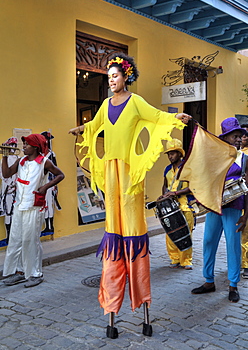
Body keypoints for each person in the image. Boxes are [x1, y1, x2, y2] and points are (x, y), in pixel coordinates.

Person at [69, 52, 191, 335]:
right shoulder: (104, 104)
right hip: (110, 171)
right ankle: (113, 296)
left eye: (115, 76)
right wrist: (81, 128)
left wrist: (177, 117)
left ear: (126, 77)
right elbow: (95, 125)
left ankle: (141, 296)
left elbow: (158, 116)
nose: (111, 81)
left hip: (129, 172)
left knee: (133, 227)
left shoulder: (135, 102)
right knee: (113, 227)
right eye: (108, 77)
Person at [191, 117, 248, 303]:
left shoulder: (245, 158)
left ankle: (233, 285)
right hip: (214, 207)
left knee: (233, 246)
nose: (239, 139)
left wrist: (246, 215)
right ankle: (209, 281)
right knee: (208, 241)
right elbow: (203, 180)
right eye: (235, 136)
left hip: (234, 208)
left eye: (240, 136)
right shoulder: (214, 158)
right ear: (224, 138)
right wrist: (178, 191)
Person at [2, 134, 64, 288]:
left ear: (35, 147)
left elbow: (60, 175)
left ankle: (36, 273)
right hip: (19, 205)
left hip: (34, 206)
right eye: (23, 144)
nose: (23, 147)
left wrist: (45, 187)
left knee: (31, 241)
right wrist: (4, 156)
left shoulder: (44, 162)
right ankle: (20, 272)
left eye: (26, 145)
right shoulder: (21, 161)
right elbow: (6, 174)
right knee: (16, 239)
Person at [160, 139, 194, 269]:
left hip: (186, 205)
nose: (170, 156)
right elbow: (164, 185)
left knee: (185, 233)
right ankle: (175, 259)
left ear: (180, 154)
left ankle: (186, 261)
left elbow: (193, 187)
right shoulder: (167, 169)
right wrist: (164, 196)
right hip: (170, 207)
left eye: (173, 153)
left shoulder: (188, 168)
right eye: (169, 154)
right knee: (170, 233)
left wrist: (175, 193)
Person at [40, 131, 61, 235]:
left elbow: (56, 170)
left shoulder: (51, 154)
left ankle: (50, 226)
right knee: (44, 205)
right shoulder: (39, 155)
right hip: (41, 182)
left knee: (49, 204)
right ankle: (46, 226)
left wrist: (54, 184)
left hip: (49, 182)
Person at [0, 137, 19, 245]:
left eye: (14, 145)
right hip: (8, 189)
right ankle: (9, 235)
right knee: (9, 213)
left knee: (17, 213)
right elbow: (3, 175)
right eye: (11, 145)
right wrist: (10, 184)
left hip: (17, 189)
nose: (13, 148)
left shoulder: (18, 158)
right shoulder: (3, 160)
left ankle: (15, 235)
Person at [240, 125, 248, 278]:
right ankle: (239, 262)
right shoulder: (235, 154)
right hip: (237, 198)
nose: (243, 138)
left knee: (246, 233)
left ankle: (246, 264)